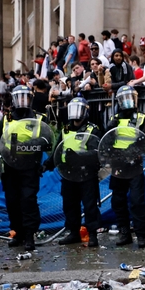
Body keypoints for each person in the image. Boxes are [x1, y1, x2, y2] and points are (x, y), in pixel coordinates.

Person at [0, 85, 50, 251]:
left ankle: (29, 235)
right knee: (12, 201)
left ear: (30, 99)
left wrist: (32, 145)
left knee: (28, 200)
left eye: (26, 97)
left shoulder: (39, 118)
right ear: (15, 99)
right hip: (10, 168)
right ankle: (18, 232)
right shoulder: (6, 118)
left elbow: (47, 141)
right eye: (20, 97)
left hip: (30, 167)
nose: (23, 101)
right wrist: (3, 152)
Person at [105, 86, 145, 248]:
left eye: (130, 97)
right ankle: (124, 232)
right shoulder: (115, 118)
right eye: (124, 98)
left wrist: (130, 151)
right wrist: (109, 127)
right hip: (118, 164)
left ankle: (141, 235)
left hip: (134, 163)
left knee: (137, 201)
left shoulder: (142, 117)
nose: (128, 101)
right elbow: (106, 141)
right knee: (118, 201)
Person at [52, 98, 103, 248]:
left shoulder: (92, 129)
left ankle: (92, 234)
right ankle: (74, 232)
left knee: (89, 206)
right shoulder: (65, 129)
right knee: (69, 205)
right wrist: (46, 165)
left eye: (78, 109)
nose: (75, 113)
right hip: (68, 174)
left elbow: (97, 153)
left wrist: (79, 158)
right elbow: (58, 150)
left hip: (86, 174)